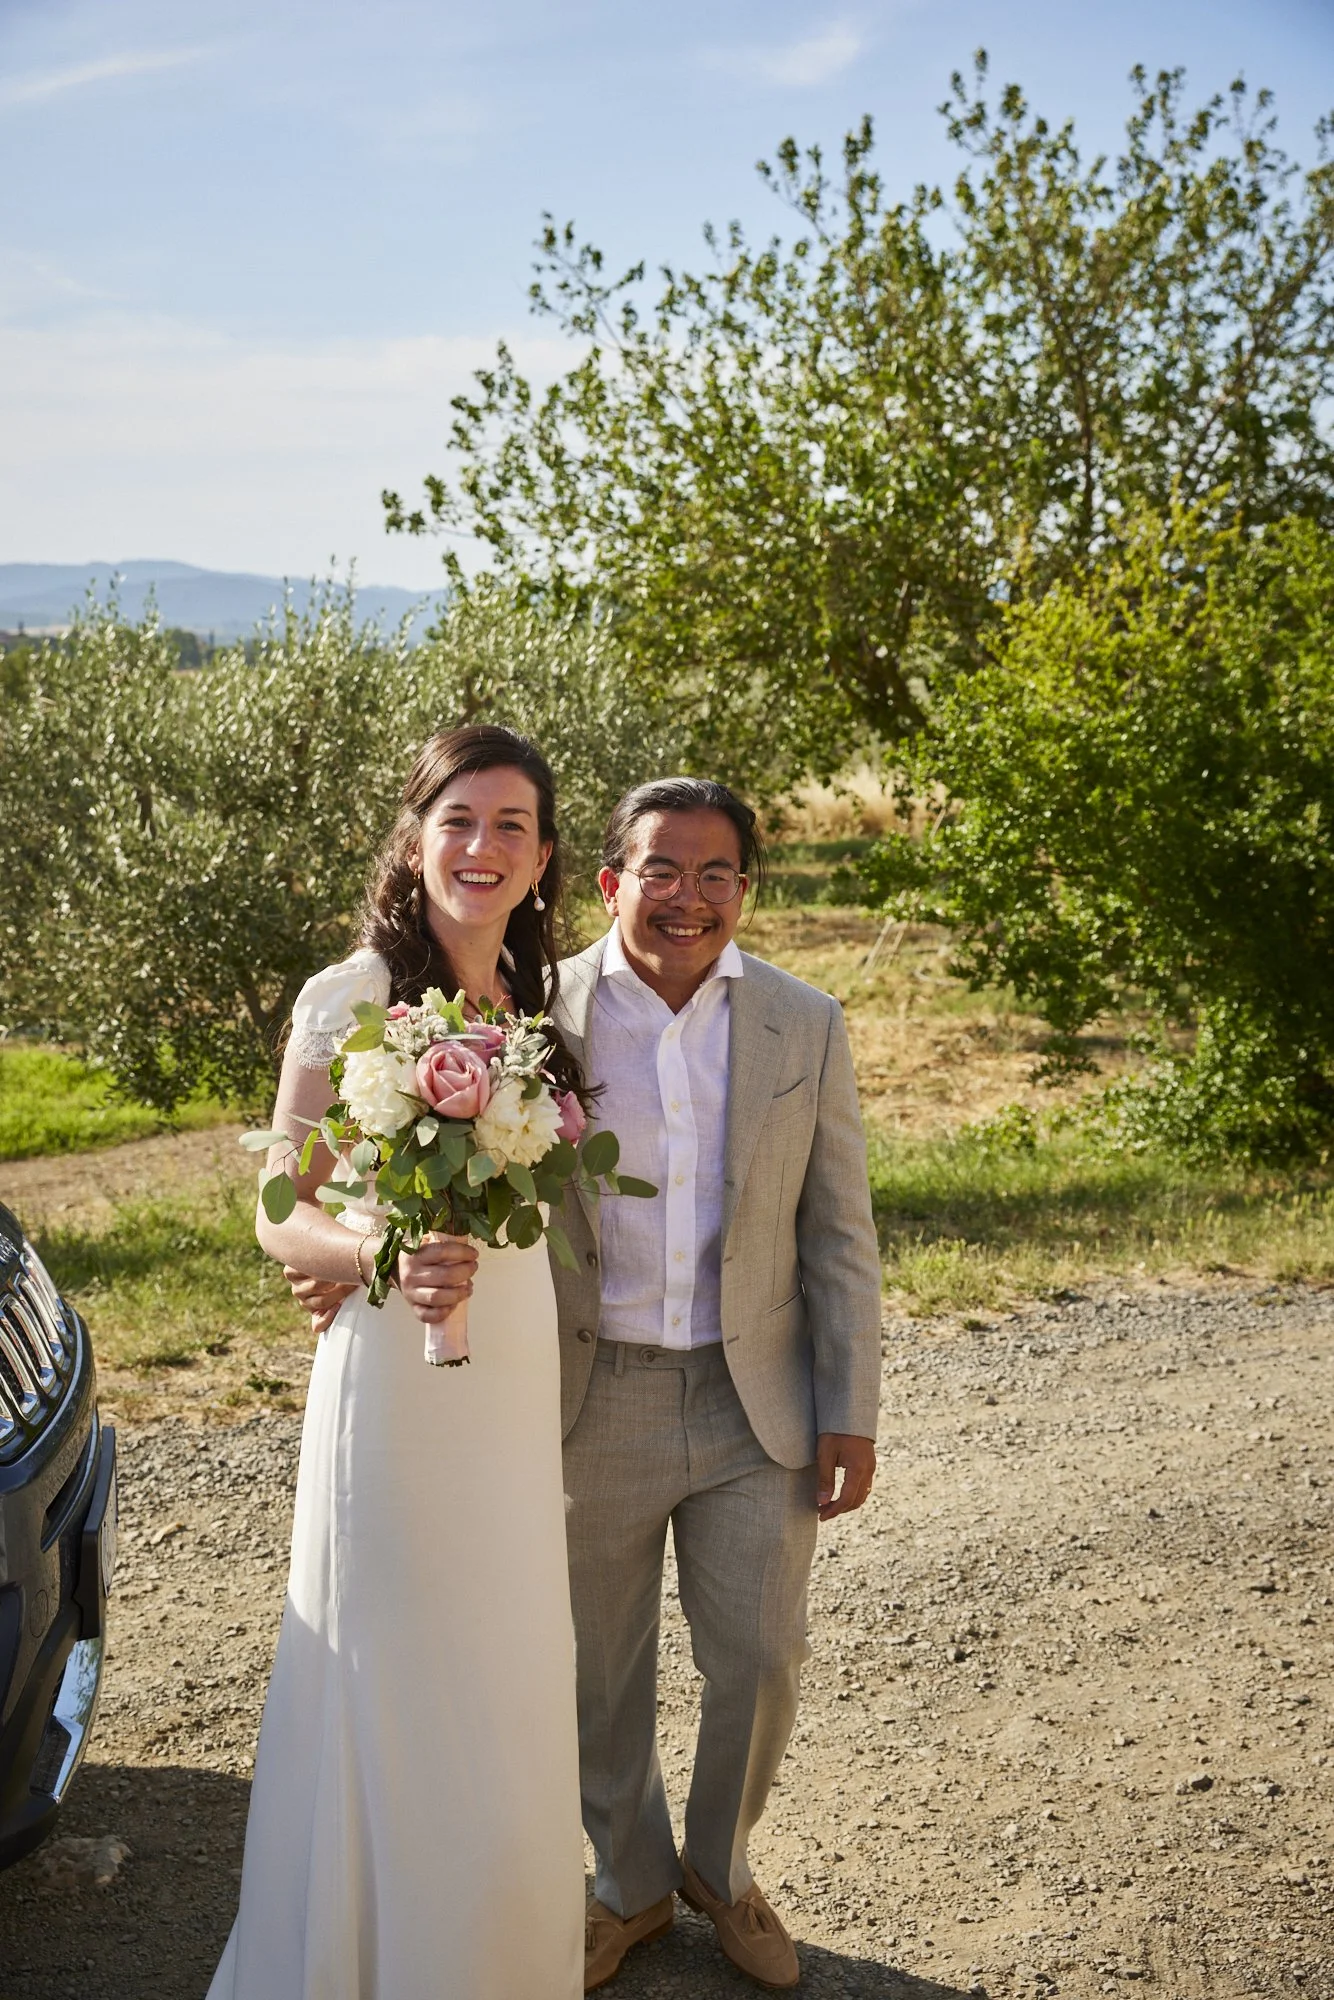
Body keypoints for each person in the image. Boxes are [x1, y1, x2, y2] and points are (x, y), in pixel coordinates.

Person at [208, 725, 586, 2000]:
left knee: (505, 1646)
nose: (483, 848)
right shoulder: (351, 989)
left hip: (511, 1344)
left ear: (540, 858)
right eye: (460, 820)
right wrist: (367, 1247)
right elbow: (277, 1203)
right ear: (416, 836)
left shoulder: (528, 1007)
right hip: (392, 1364)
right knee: (396, 1653)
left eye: (512, 827)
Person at [551, 778, 882, 1993]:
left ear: (744, 886)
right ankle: (626, 1884)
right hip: (593, 1396)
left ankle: (719, 1864)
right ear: (609, 881)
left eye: (714, 873)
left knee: (760, 1652)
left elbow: (837, 1231)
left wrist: (849, 1404)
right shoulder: (535, 1016)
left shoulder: (806, 1021)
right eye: (660, 869)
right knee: (598, 1665)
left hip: (757, 1400)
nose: (685, 896)